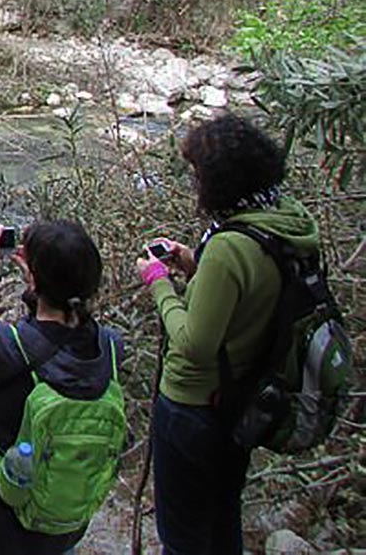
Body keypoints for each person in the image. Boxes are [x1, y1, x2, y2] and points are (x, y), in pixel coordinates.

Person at [137, 112, 320, 554]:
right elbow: (253, 296)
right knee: (222, 518)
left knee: (181, 536)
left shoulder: (228, 246)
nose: (194, 184)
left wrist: (158, 281)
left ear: (220, 180)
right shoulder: (285, 223)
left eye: (198, 174)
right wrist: (195, 268)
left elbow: (196, 344)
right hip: (244, 398)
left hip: (194, 405)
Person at [0, 219, 124, 555]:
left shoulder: (6, 348)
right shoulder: (110, 348)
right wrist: (41, 285)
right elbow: (62, 332)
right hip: (62, 522)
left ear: (34, 278)